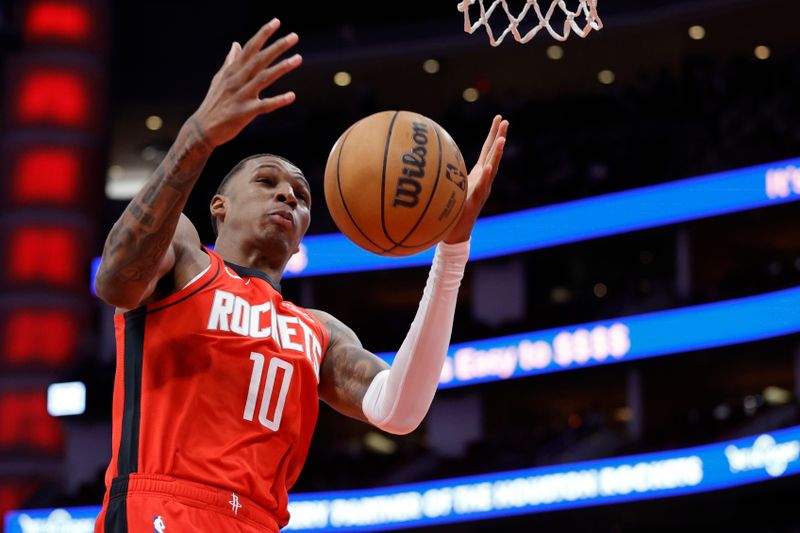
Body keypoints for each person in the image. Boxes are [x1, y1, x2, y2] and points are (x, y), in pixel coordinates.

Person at [94, 18, 508, 533]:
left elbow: (398, 411)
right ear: (218, 207)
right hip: (163, 510)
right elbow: (115, 280)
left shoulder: (318, 331)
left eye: (301, 195)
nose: (288, 194)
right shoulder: (182, 253)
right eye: (267, 182)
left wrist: (452, 248)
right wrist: (198, 136)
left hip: (260, 522)